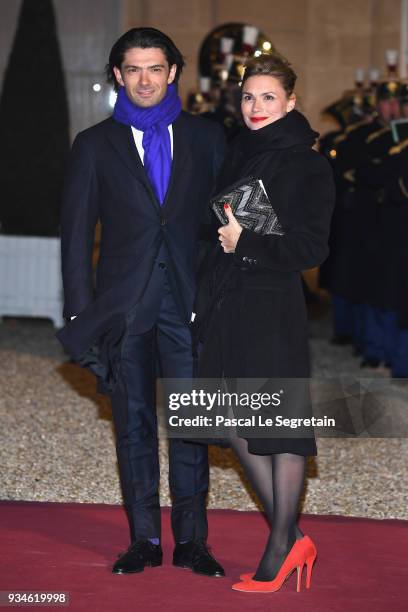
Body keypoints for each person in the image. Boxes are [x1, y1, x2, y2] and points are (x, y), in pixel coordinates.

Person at [57, 27, 226, 577]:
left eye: (156, 68)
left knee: (191, 426)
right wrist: (82, 312)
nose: (146, 79)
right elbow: (77, 234)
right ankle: (145, 539)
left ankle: (193, 542)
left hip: (188, 305)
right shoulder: (93, 145)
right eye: (134, 69)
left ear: (173, 72)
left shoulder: (206, 138)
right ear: (118, 76)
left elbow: (227, 217)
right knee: (131, 427)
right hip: (123, 309)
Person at [193, 54, 335, 593]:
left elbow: (311, 246)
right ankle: (293, 533)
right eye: (249, 97)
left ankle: (280, 545)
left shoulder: (306, 163)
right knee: (228, 421)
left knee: (278, 429)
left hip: (271, 305)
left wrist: (245, 242)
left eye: (268, 98)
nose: (255, 107)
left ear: (291, 102)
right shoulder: (238, 150)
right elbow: (216, 224)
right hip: (227, 300)